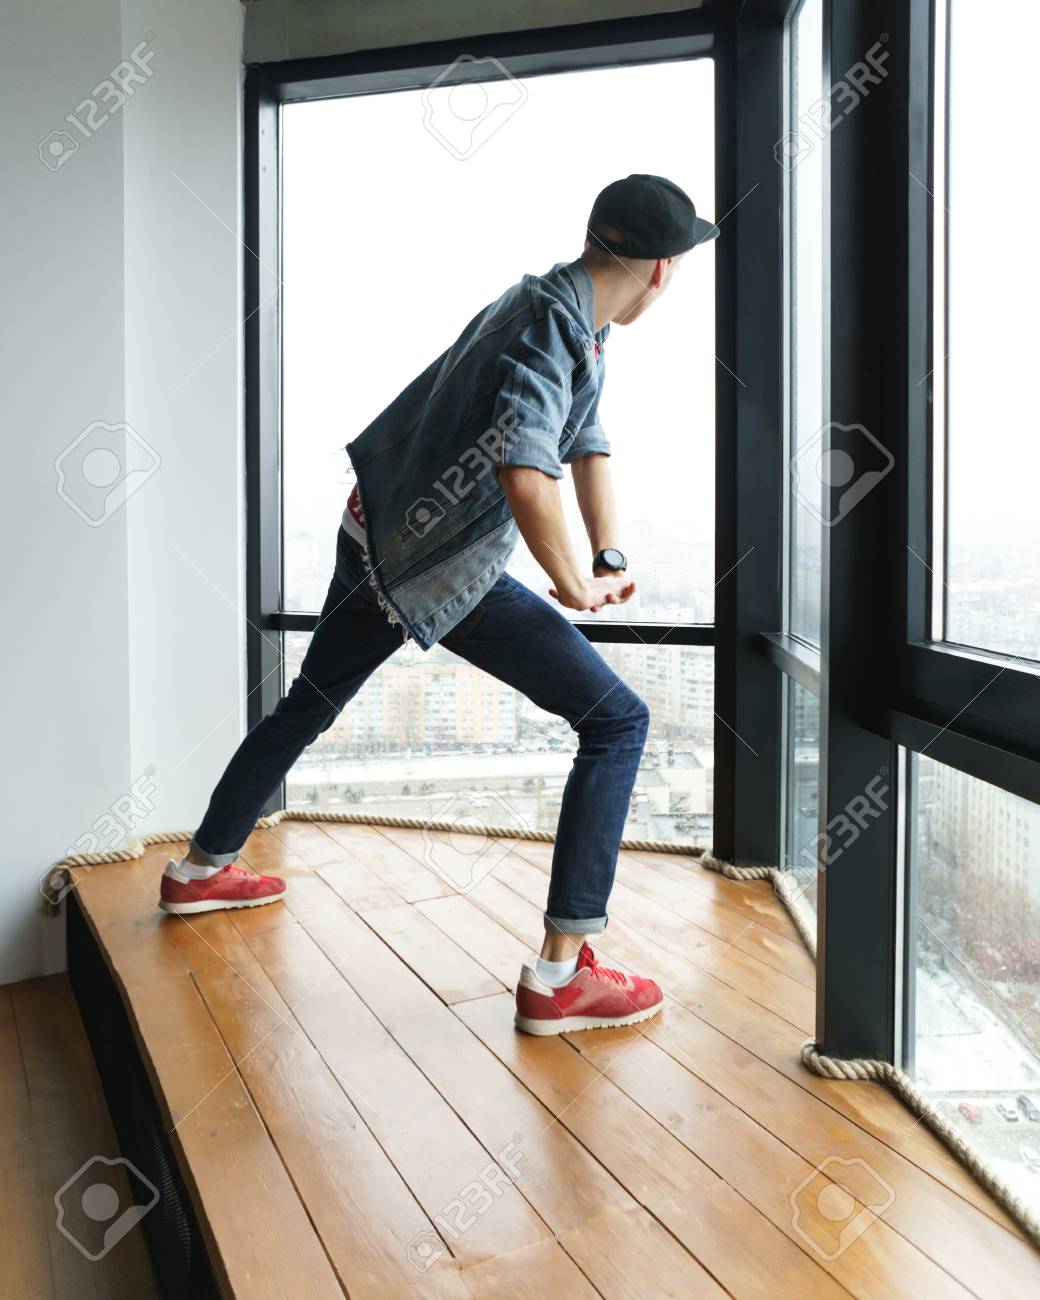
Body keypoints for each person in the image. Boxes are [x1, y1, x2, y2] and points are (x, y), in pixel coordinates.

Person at [159, 174, 719, 1035]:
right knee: (617, 721)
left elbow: (585, 439)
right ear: (662, 269)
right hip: (431, 563)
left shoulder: (562, 311)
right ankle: (561, 976)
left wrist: (607, 553)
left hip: (373, 531)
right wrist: (573, 584)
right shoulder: (551, 327)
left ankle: (200, 871)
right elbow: (526, 469)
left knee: (308, 702)